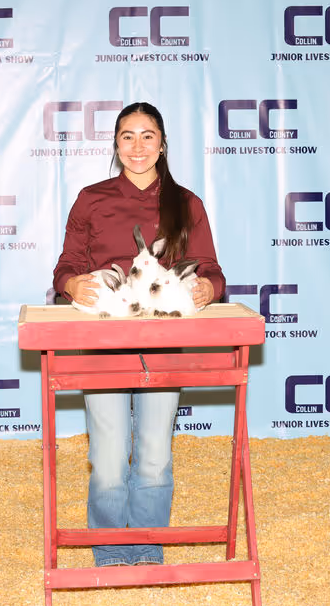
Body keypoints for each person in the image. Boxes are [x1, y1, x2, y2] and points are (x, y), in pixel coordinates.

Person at [52, 101, 225, 567]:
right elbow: (66, 266)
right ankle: (110, 553)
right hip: (103, 344)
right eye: (127, 136)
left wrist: (208, 287)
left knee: (153, 456)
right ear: (115, 144)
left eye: (148, 136)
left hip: (164, 345)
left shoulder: (186, 204)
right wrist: (71, 284)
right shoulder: (91, 199)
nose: (137, 146)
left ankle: (147, 550)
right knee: (109, 458)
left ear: (162, 144)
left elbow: (211, 270)